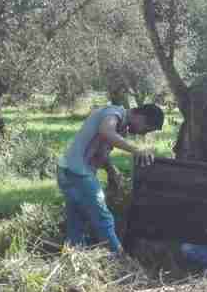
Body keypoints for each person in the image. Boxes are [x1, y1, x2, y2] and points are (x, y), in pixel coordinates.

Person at [57, 103, 164, 255]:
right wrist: (136, 150)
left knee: (77, 222)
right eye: (146, 129)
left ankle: (73, 255)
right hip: (77, 172)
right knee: (104, 218)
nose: (142, 134)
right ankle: (119, 258)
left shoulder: (120, 125)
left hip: (67, 169)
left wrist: (111, 171)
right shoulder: (114, 113)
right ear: (140, 116)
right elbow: (106, 131)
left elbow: (101, 152)